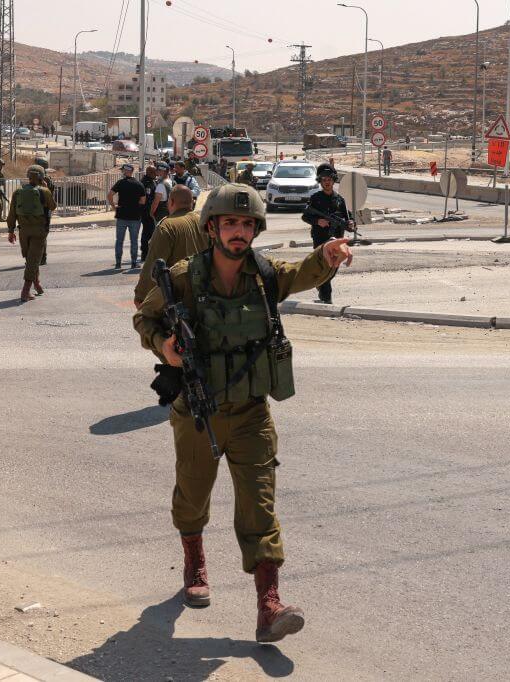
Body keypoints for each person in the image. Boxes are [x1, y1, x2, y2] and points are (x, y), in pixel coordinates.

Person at [133, 183, 352, 643]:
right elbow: (144, 318)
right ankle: (194, 558)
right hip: (197, 410)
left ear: (256, 229)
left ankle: (269, 606)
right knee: (193, 495)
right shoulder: (182, 277)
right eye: (229, 223)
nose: (238, 231)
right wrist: (164, 347)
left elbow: (304, 272)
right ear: (211, 227)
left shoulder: (265, 275)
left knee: (260, 505)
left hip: (252, 412)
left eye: (247, 224)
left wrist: (328, 255)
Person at [133, 185, 208, 307]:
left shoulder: (167, 226)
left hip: (177, 298)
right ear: (191, 203)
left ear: (171, 201)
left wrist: (141, 295)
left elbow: (153, 264)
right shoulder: (203, 223)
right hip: (204, 295)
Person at [301, 163, 353, 304]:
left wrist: (351, 223)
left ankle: (320, 284)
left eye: (329, 179)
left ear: (333, 180)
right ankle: (326, 297)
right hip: (320, 239)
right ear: (320, 181)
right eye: (324, 180)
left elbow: (349, 218)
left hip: (336, 240)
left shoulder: (339, 200)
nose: (327, 182)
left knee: (333, 268)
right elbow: (305, 216)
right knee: (325, 267)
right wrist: (318, 221)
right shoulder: (315, 198)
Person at [7, 165, 57, 301]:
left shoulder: (18, 192)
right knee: (33, 260)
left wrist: (11, 231)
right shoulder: (44, 191)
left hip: (23, 231)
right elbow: (53, 206)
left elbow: (12, 214)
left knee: (31, 259)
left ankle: (37, 284)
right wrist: (47, 189)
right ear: (41, 177)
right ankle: (25, 291)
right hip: (39, 231)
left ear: (28, 177)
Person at [108, 163, 146, 269]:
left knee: (119, 240)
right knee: (134, 241)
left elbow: (109, 195)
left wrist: (114, 207)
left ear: (126, 171)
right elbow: (143, 201)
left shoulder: (120, 183)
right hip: (135, 216)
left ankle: (118, 263)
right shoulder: (139, 184)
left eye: (123, 170)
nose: (122, 172)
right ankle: (134, 262)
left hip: (121, 215)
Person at [34, 156, 56, 265]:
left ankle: (41, 258)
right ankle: (40, 258)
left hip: (43, 210)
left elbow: (49, 195)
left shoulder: (45, 180)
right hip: (41, 210)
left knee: (41, 235)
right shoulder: (44, 179)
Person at [139, 165, 158, 263]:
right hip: (147, 212)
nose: (156, 174)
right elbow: (147, 199)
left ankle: (147, 253)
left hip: (149, 211)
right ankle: (145, 253)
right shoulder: (145, 183)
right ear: (150, 173)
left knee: (148, 232)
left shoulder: (151, 181)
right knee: (148, 232)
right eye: (155, 172)